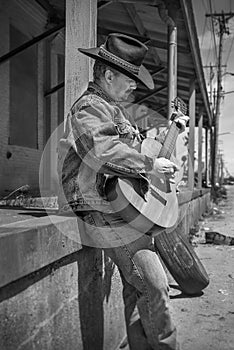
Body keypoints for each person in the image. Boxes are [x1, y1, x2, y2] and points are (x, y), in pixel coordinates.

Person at [57, 33, 187, 350]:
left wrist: (168, 156)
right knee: (154, 285)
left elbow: (139, 163)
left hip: (123, 209)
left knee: (137, 288)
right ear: (109, 74)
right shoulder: (89, 107)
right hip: (100, 207)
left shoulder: (117, 111)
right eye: (129, 78)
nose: (134, 86)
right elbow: (103, 151)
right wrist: (149, 164)